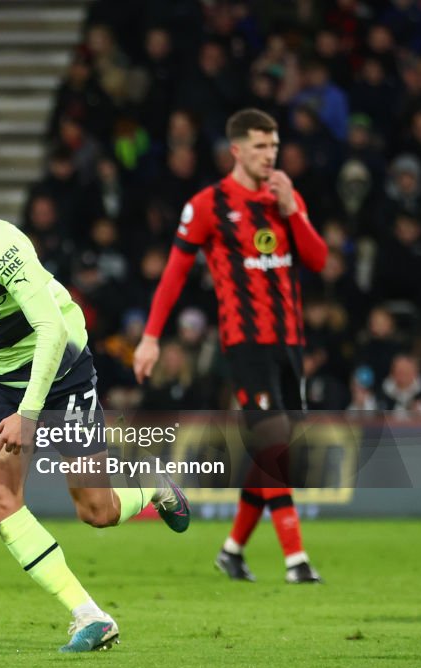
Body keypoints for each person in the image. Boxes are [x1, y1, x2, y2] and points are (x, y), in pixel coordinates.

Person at [0, 149, 190, 653]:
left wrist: (29, 415)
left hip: (62, 370)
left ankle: (153, 486)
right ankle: (90, 615)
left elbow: (51, 328)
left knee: (97, 511)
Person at [133, 108, 328, 584]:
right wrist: (151, 337)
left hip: (289, 341)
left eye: (274, 146)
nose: (270, 155)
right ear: (237, 150)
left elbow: (318, 260)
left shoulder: (285, 197)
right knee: (274, 441)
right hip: (245, 343)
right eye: (261, 146)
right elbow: (174, 275)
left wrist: (293, 210)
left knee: (275, 450)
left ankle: (232, 551)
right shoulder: (208, 205)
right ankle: (296, 560)